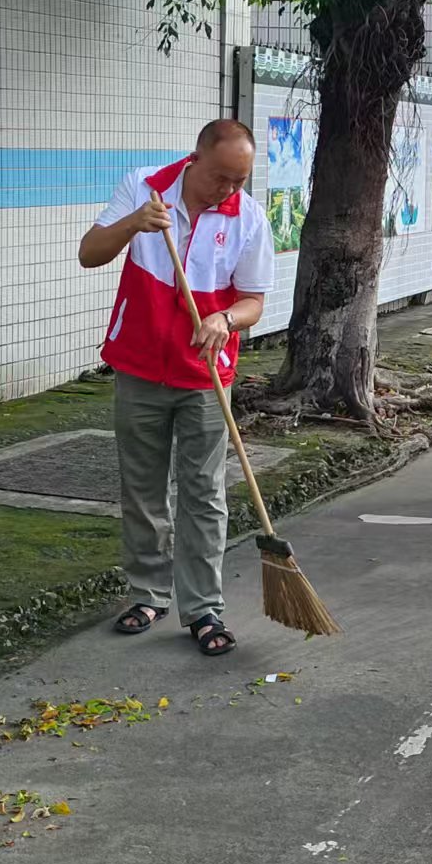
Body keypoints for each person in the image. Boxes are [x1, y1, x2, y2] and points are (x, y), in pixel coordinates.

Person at [81, 120, 275, 656]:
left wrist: (225, 319)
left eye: (239, 180)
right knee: (143, 488)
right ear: (195, 159)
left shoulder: (248, 217)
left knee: (204, 492)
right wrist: (133, 224)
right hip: (140, 363)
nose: (227, 190)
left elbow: (255, 301)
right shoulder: (145, 188)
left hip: (205, 373)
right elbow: (89, 253)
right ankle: (148, 594)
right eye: (220, 177)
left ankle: (203, 607)